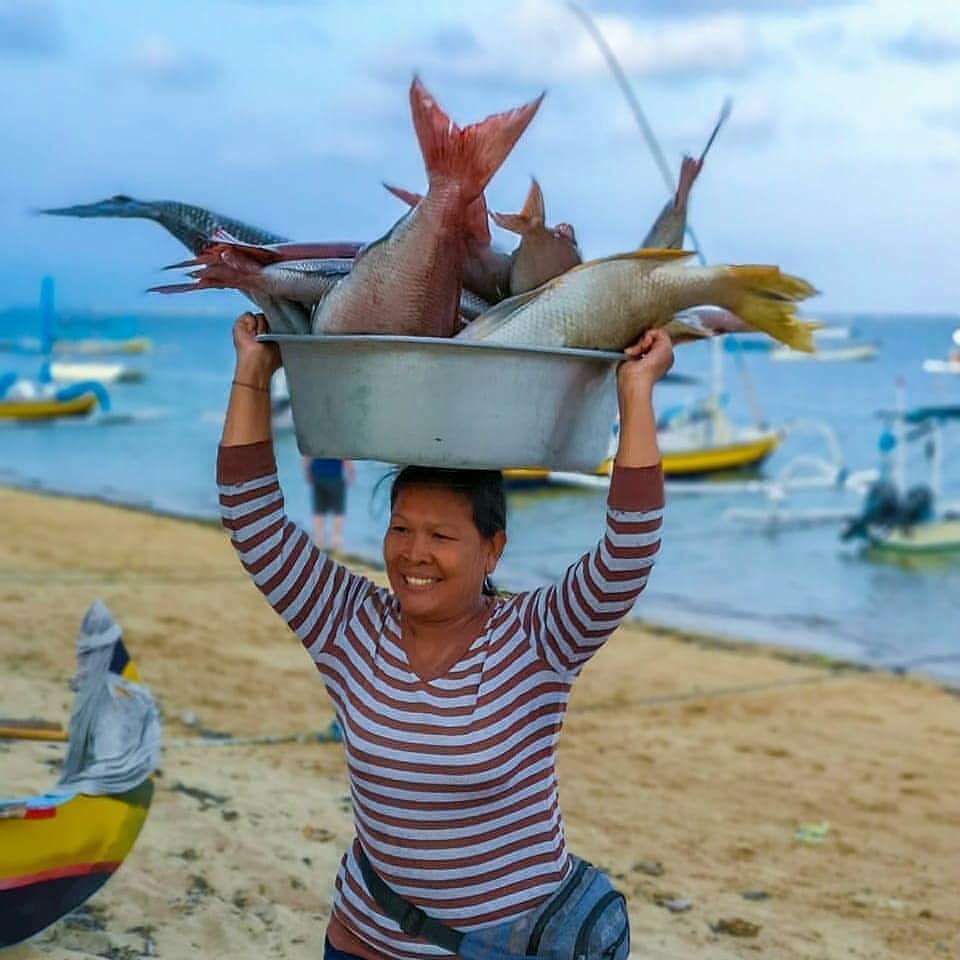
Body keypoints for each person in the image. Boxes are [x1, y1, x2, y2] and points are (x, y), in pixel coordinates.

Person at [218, 311, 672, 960]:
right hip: (361, 941)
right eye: (401, 529)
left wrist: (634, 394)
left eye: (441, 536)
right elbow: (252, 519)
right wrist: (253, 373)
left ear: (493, 550)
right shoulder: (348, 624)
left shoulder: (537, 638)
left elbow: (627, 549)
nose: (413, 554)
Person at [303, 456, 355, 552]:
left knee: (319, 511)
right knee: (338, 511)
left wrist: (307, 473)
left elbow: (307, 456)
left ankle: (319, 542)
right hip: (335, 477)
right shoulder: (337, 440)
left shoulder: (316, 440)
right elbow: (345, 457)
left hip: (318, 475)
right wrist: (351, 473)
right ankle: (335, 541)